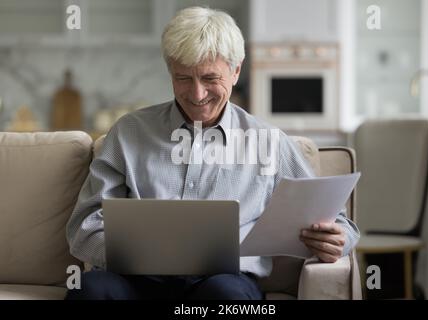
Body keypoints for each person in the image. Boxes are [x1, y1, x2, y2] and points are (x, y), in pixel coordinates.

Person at [65, 6, 360, 300]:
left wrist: (337, 239)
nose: (197, 94)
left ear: (235, 71)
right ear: (170, 71)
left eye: (209, 78)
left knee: (226, 296)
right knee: (90, 290)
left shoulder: (269, 142)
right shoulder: (129, 133)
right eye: (183, 78)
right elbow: (84, 225)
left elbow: (339, 223)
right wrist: (133, 254)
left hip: (225, 283)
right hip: (136, 281)